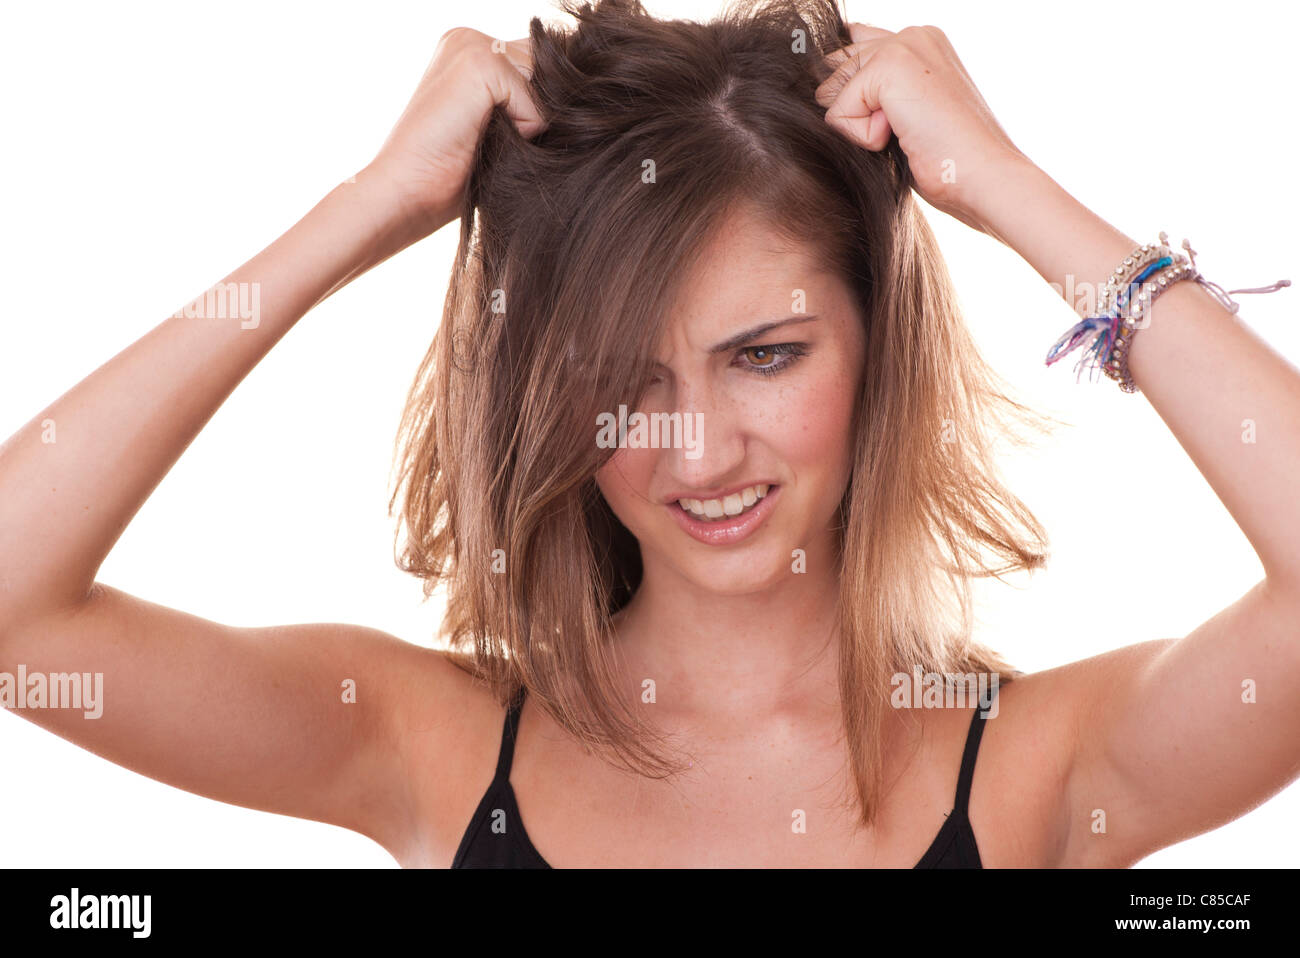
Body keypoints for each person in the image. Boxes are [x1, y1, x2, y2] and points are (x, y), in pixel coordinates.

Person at [1, 0, 1296, 868]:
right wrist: (369, 204)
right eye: (623, 379)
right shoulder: (428, 741)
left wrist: (1003, 186)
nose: (698, 451)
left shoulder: (1032, 771)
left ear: (875, 344)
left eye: (765, 356)